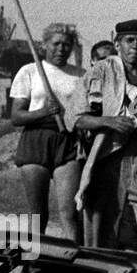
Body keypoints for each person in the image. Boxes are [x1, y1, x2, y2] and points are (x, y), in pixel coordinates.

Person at [68, 20, 137, 255]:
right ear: (118, 43)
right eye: (129, 40)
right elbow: (76, 117)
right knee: (100, 238)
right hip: (107, 160)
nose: (135, 46)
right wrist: (109, 121)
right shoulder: (102, 72)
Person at [9, 23, 84, 243]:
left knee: (69, 212)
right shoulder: (30, 71)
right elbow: (16, 117)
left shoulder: (80, 75)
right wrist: (43, 112)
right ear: (44, 45)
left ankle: (76, 268)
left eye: (67, 45)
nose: (61, 49)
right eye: (56, 44)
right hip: (35, 140)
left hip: (68, 141)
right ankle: (33, 264)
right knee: (38, 214)